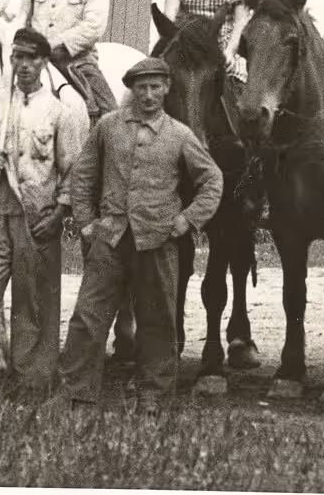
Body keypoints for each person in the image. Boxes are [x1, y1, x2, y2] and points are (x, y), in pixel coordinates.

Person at [54, 58, 223, 412]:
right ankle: (77, 393)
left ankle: (153, 397)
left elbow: (212, 180)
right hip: (111, 237)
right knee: (88, 316)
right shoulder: (108, 127)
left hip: (158, 241)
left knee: (158, 320)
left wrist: (188, 219)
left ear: (167, 89)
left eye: (155, 87)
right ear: (132, 89)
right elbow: (83, 175)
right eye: (142, 87)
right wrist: (86, 222)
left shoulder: (179, 134)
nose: (148, 95)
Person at [0, 27, 87, 392]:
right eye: (18, 58)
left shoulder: (61, 113)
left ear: (44, 62)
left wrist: (58, 215)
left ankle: (33, 378)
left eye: (32, 58)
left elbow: (72, 173)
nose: (24, 65)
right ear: (10, 60)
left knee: (35, 301)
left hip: (39, 219)